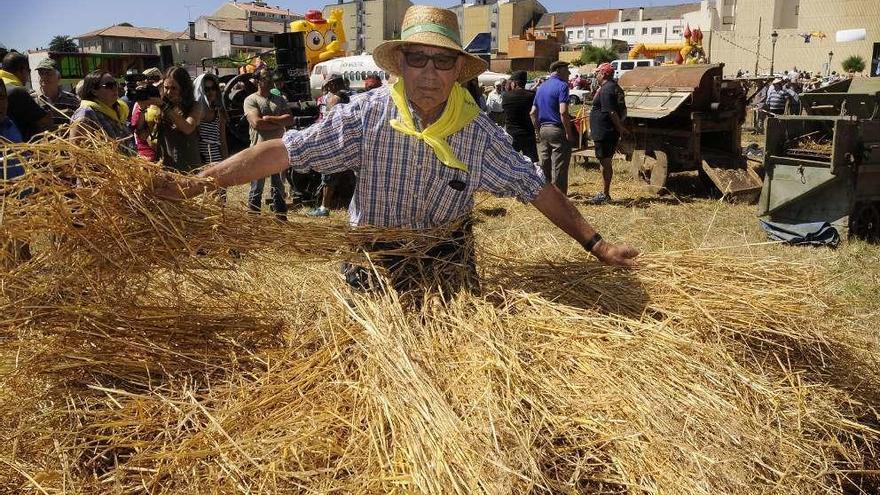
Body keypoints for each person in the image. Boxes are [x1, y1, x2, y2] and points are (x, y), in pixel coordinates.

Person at [157, 5, 638, 293]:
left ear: (457, 70)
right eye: (417, 58)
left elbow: (537, 188)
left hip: (445, 264)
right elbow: (285, 152)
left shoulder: (477, 133)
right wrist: (202, 181)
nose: (429, 72)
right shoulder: (366, 114)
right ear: (400, 66)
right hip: (373, 262)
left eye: (442, 60)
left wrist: (597, 245)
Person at [243, 67, 293, 220]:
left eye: (271, 77)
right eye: (266, 77)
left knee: (278, 185)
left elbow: (290, 119)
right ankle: (253, 218)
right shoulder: (251, 100)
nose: (271, 80)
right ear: (257, 80)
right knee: (257, 186)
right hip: (259, 150)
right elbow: (257, 123)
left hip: (277, 149)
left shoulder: (279, 98)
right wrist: (279, 123)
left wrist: (270, 119)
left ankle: (280, 216)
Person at [309, 73, 352, 217]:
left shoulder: (336, 98)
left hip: (333, 140)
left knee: (328, 175)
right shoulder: (348, 96)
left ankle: (324, 207)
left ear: (333, 84)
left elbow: (329, 121)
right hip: (346, 140)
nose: (328, 86)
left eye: (329, 84)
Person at [587, 62, 628, 204]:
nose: (596, 75)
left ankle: (605, 194)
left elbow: (611, 111)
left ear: (604, 74)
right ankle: (604, 192)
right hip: (605, 131)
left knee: (605, 162)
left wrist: (620, 129)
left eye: (597, 73)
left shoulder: (606, 90)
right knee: (604, 161)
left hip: (604, 131)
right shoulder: (611, 88)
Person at [0, 78, 31, 265]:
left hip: (21, 204)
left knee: (23, 257)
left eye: (2, 97)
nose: (0, 103)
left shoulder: (10, 125)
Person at [531, 60, 573, 195]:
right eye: (567, 70)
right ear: (559, 70)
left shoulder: (541, 87)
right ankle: (560, 198)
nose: (569, 73)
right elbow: (563, 111)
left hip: (543, 129)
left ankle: (545, 195)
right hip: (557, 129)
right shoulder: (562, 86)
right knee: (559, 166)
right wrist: (568, 132)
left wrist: (537, 131)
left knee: (545, 164)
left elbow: (532, 113)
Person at [70, 70, 135, 154]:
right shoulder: (85, 114)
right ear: (94, 91)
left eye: (115, 84)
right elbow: (76, 154)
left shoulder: (120, 110)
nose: (115, 88)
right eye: (109, 86)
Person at [157, 67, 203, 172]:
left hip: (189, 166)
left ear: (184, 89)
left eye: (174, 88)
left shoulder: (195, 106)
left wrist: (164, 107)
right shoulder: (160, 106)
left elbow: (188, 128)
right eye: (166, 88)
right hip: (166, 166)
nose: (168, 92)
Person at [0, 52, 52, 141]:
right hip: (19, 150)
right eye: (29, 71)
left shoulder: (3, 83)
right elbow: (45, 122)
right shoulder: (17, 91)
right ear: (22, 70)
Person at [31, 58, 80, 129]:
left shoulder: (72, 99)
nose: (44, 76)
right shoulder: (32, 100)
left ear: (59, 77)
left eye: (48, 73)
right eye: (41, 73)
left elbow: (79, 126)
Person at [502, 70, 538, 163]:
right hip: (527, 132)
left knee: (510, 162)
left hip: (512, 133)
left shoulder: (506, 96)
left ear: (514, 83)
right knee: (532, 162)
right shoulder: (531, 96)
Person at [194, 73, 229, 165]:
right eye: (207, 89)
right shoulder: (196, 113)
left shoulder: (219, 112)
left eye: (213, 88)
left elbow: (223, 141)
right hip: (201, 161)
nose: (211, 92)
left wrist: (226, 163)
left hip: (217, 160)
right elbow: (194, 140)